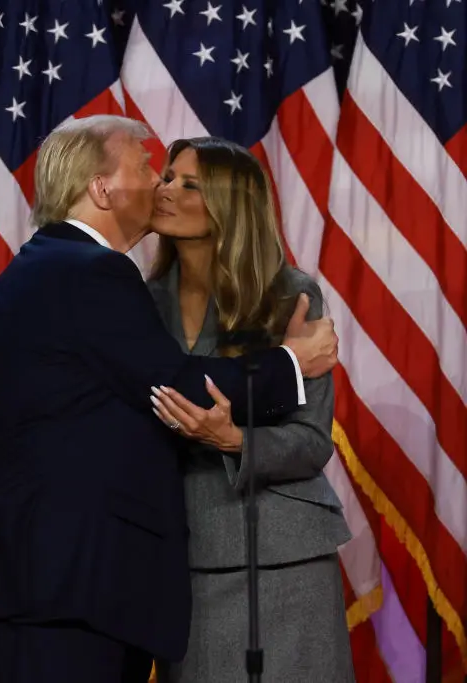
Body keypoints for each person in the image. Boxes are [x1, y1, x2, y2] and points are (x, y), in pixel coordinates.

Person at [0, 115, 340, 683]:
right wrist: (294, 361)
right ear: (102, 188)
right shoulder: (91, 273)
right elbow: (177, 383)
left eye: (179, 178)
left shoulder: (53, 267)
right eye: (148, 167)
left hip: (70, 587)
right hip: (64, 591)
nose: (159, 184)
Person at [144, 136, 355, 682]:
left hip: (284, 560)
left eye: (189, 184)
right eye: (167, 177)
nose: (165, 190)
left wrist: (235, 440)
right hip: (180, 560)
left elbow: (312, 442)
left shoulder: (290, 295)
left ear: (229, 204)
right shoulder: (137, 303)